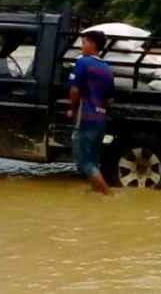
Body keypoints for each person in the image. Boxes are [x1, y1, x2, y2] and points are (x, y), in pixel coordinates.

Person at [67, 30, 115, 196]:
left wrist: (72, 110)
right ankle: (97, 194)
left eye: (84, 43)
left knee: (84, 162)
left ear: (93, 45)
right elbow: (110, 100)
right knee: (94, 160)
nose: (82, 47)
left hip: (85, 117)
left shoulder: (83, 63)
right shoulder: (107, 68)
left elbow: (74, 91)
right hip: (100, 119)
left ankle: (108, 195)